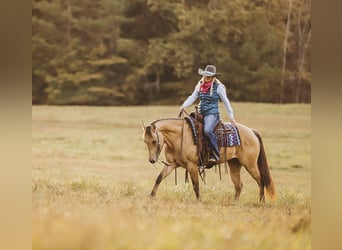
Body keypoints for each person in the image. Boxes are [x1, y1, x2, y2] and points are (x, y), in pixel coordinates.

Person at [180, 64, 236, 167]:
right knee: (189, 128)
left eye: (209, 76)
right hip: (201, 113)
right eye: (205, 75)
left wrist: (231, 117)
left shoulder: (218, 87)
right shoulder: (200, 85)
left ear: (213, 77)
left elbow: (226, 102)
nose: (206, 78)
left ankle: (215, 154)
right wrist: (184, 105)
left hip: (212, 114)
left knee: (207, 130)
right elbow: (193, 97)